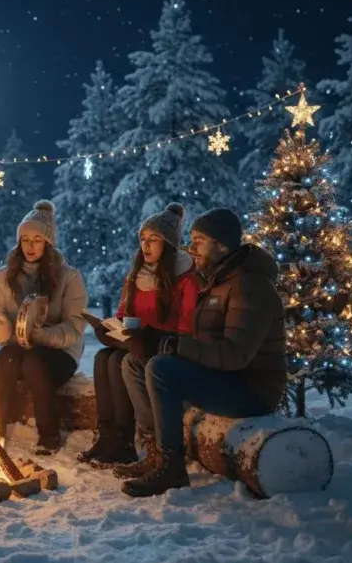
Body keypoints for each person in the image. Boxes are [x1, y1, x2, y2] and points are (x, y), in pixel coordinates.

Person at [119, 207, 288, 497]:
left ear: (221, 244)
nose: (191, 247)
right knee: (135, 363)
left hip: (250, 389)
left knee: (161, 368)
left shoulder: (249, 286)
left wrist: (170, 346)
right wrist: (157, 339)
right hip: (222, 376)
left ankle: (171, 464)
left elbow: (235, 355)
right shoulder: (218, 280)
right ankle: (154, 450)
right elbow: (201, 339)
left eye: (198, 240)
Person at [77, 203, 199, 471]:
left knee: (119, 361)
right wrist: (108, 330)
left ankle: (126, 441)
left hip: (159, 348)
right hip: (132, 342)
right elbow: (123, 314)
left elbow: (185, 327)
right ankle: (108, 435)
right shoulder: (136, 276)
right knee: (103, 357)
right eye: (143, 239)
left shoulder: (185, 279)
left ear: (168, 243)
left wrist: (148, 336)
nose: (146, 245)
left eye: (153, 239)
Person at [0, 200, 88, 455]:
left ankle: (49, 435)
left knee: (34, 362)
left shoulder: (69, 277)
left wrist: (42, 335)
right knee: (6, 358)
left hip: (59, 353)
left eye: (37, 240)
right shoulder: (3, 276)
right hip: (18, 348)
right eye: (25, 239)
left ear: (48, 243)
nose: (29, 246)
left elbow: (75, 327)